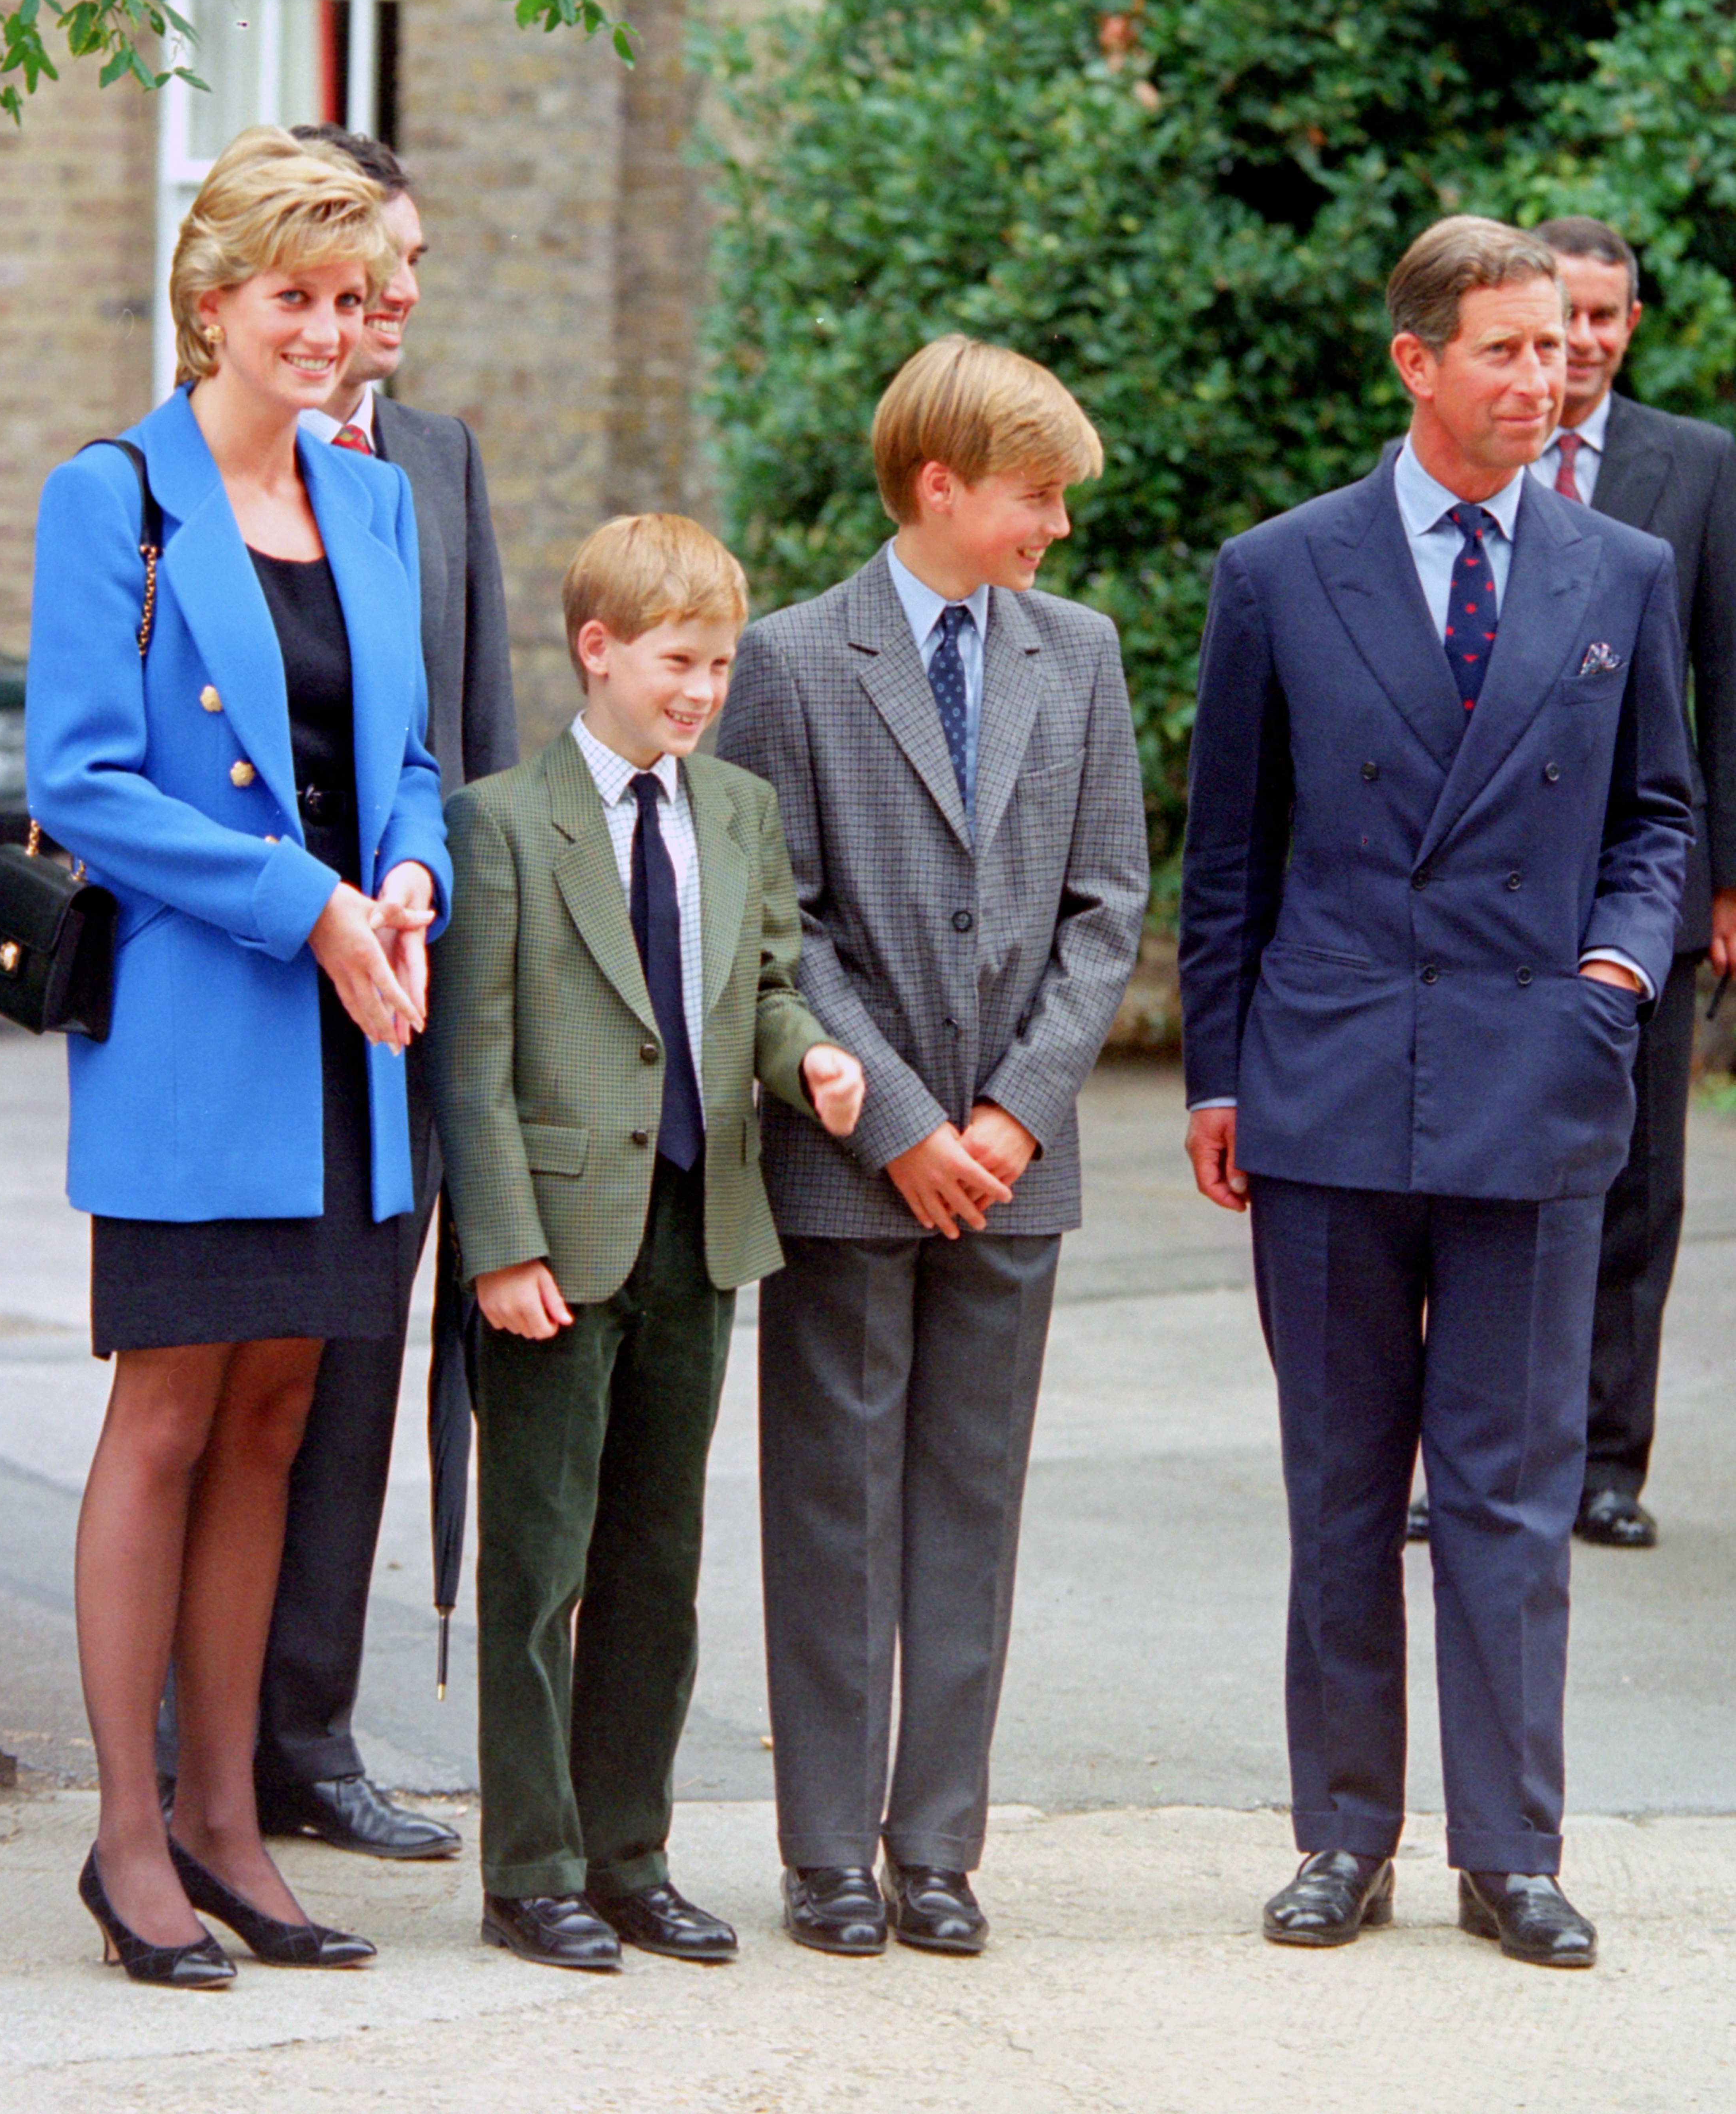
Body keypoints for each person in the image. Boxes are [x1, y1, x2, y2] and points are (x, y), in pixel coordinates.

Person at [1179, 217, 1692, 1971]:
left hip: (1536, 1087)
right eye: (1507, 349)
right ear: (1414, 361)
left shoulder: (1621, 569)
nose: (1546, 378)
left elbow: (1660, 818)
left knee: (1508, 1488)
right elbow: (1229, 852)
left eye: (1558, 347)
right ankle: (1341, 1838)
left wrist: (1614, 978)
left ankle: (1511, 1849)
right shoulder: (1277, 568)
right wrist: (1218, 1076)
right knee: (1339, 1484)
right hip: (1325, 1089)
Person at [25, 127, 453, 1985]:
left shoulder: (376, 504)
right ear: (214, 306)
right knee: (172, 1415)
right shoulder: (104, 494)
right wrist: (311, 907)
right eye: (294, 296)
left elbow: (414, 761)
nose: (329, 330)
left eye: (350, 302)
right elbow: (82, 782)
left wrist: (415, 874)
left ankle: (226, 1826)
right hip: (211, 1030)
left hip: (359, 1038)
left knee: (279, 1421)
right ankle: (129, 1838)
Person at [716, 337, 1150, 1960]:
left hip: (1013, 1159)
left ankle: (938, 1847)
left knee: (970, 1506)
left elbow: (1108, 906)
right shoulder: (792, 660)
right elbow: (782, 921)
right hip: (847, 1157)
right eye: (1036, 499)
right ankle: (827, 1850)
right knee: (834, 1508)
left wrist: (1012, 1115)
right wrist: (903, 1123)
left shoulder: (1079, 654)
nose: (1054, 528)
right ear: (940, 485)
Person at [426, 515, 867, 1973]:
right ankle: (532, 1866)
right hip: (555, 1240)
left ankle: (632, 1855)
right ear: (599, 650)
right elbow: (474, 1056)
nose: (702, 691)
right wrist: (499, 1243)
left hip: (700, 1225)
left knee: (655, 1566)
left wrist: (808, 1062)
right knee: (540, 1563)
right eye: (680, 661)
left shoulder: (735, 809)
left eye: (723, 665)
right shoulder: (501, 821)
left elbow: (770, 984)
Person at [236, 123, 517, 1861]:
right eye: (361, 269)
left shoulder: (437, 461)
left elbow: (466, 748)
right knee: (216, 1383)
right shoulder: (163, 475)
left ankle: (306, 1738)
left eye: (399, 272)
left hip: (400, 1003)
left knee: (351, 1381)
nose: (392, 300)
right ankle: (191, 1744)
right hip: (245, 989)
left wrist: (464, 970)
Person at [1526, 216, 1736, 1548]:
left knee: (1636, 1176)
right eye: (1565, 319)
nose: (1586, 343)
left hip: (1647, 877)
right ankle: (1485, 1452)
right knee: (1486, 1181)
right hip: (1493, 887)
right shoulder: (1465, 468)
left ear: (1633, 325)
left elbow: (1733, 679)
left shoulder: (1700, 467)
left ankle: (1608, 1463)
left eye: (1608, 318)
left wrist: (1727, 883)